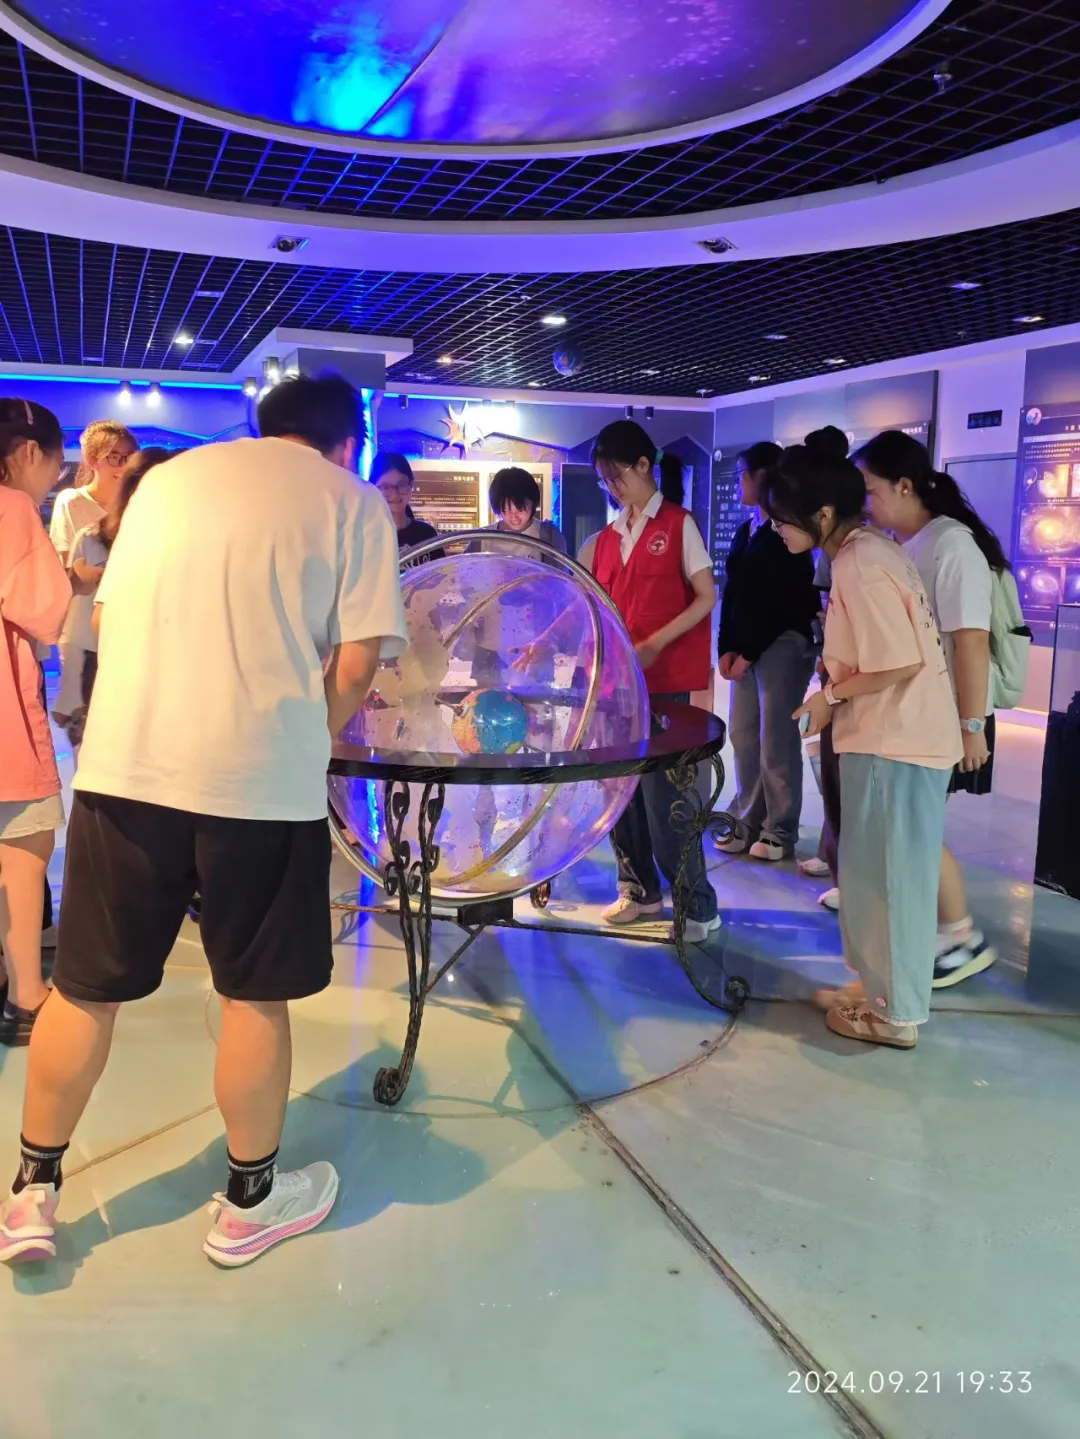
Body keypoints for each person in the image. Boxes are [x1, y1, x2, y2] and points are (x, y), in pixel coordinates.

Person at [0, 374, 406, 1268]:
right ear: (348, 442)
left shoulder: (167, 481)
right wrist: (303, 740)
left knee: (85, 989)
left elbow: (105, 618)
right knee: (252, 992)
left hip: (124, 768)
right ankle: (250, 1203)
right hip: (257, 782)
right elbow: (355, 664)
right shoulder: (352, 502)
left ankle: (31, 1195)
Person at [767, 435, 961, 1048]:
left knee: (891, 882)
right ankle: (878, 989)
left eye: (782, 518)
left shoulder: (860, 563)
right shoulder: (868, 551)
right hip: (887, 738)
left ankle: (895, 1014)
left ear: (822, 515)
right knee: (872, 876)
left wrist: (830, 696)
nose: (775, 529)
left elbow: (898, 661)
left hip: (893, 741)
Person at [857, 430, 1004, 988]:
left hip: (947, 713)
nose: (865, 504)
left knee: (918, 825)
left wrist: (972, 726)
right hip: (915, 710)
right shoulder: (903, 542)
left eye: (870, 491)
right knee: (908, 824)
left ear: (905, 485)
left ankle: (961, 935)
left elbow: (971, 641)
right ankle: (938, 926)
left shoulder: (951, 545)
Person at [579, 422, 719, 943]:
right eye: (605, 481)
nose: (613, 489)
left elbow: (706, 596)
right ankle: (638, 889)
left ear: (644, 465)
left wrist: (658, 642)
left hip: (662, 684)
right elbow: (590, 604)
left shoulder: (679, 525)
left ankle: (696, 904)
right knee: (622, 793)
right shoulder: (606, 539)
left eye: (618, 476)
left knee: (667, 800)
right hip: (615, 684)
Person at [0, 399, 70, 1047]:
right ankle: (26, 996)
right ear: (27, 454)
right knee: (23, 847)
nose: (55, 479)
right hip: (4, 720)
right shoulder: (14, 509)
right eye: (55, 464)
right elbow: (46, 612)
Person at [715, 440, 819, 861]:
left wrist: (749, 651)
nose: (738, 482)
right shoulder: (748, 530)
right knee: (743, 736)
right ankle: (747, 818)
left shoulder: (788, 531)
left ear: (763, 475)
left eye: (742, 473)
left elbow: (783, 602)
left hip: (781, 644)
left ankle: (780, 828)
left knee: (775, 739)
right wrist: (726, 647)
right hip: (746, 648)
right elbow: (733, 593)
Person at [63, 448, 174, 742]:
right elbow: (81, 623)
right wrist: (70, 693)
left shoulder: (187, 540)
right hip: (105, 669)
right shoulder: (93, 537)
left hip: (165, 674)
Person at [48, 420, 138, 726]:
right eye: (114, 456)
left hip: (130, 627)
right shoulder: (71, 502)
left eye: (129, 456)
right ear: (92, 459)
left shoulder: (138, 504)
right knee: (86, 722)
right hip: (84, 632)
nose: (123, 464)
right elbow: (64, 567)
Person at [370, 451, 439, 554]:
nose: (395, 494)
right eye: (385, 487)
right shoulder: (365, 536)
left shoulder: (427, 534)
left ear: (411, 485)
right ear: (372, 488)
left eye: (401, 485)